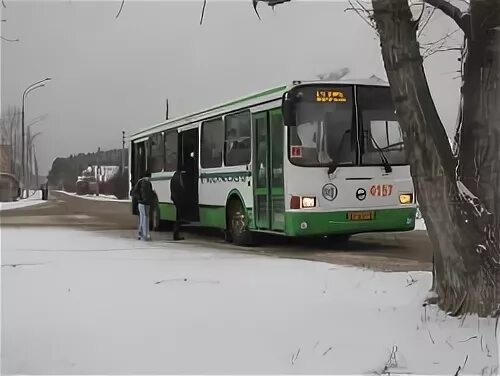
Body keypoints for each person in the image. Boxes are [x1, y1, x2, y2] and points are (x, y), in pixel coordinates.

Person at [132, 170, 154, 241]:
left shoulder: (139, 181)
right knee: (145, 218)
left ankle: (140, 234)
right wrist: (147, 200)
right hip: (145, 203)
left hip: (140, 203)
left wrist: (140, 199)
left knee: (142, 218)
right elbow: (146, 193)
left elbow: (135, 192)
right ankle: (146, 235)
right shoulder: (146, 182)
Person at [170, 168, 186, 241]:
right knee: (178, 218)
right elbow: (182, 187)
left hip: (175, 199)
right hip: (178, 199)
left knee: (177, 217)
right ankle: (176, 235)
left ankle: (175, 234)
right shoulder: (179, 177)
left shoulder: (173, 177)